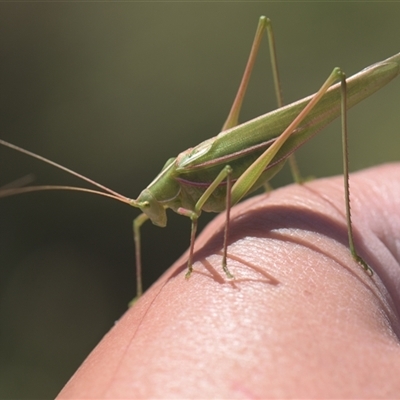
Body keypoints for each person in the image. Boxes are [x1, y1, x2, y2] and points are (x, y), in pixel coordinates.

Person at [57, 164, 400, 398]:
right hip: (228, 184)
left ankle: (304, 184)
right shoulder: (164, 192)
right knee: (137, 224)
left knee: (218, 175)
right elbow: (145, 222)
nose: (148, 211)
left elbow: (220, 177)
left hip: (240, 171)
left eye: (148, 204)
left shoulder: (180, 182)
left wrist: (218, 259)